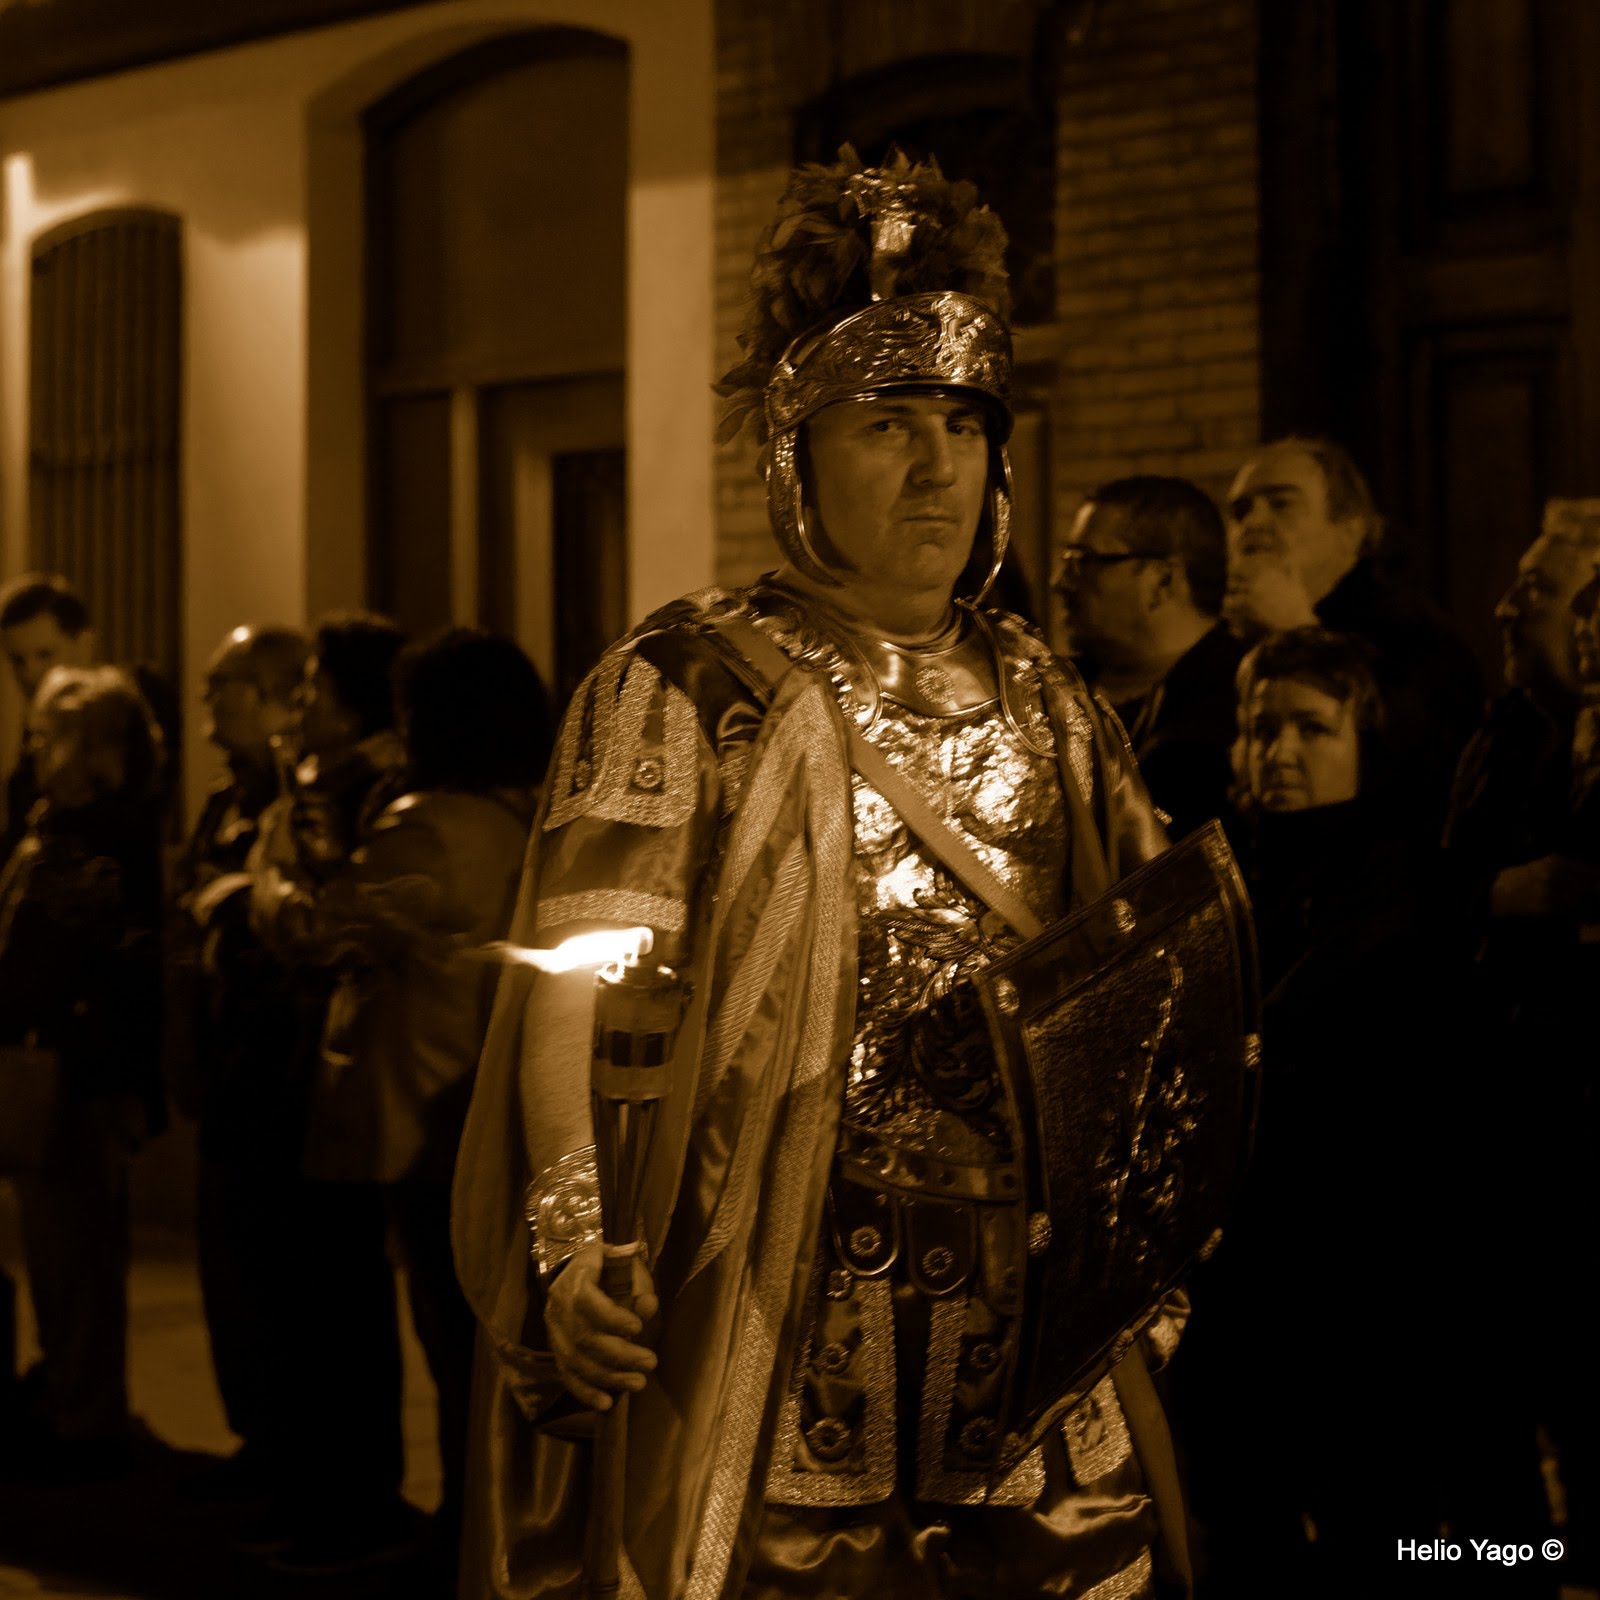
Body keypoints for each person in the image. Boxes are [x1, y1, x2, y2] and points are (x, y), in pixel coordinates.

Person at [452, 150, 1226, 1600]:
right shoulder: (680, 684)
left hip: (1031, 1334)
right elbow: (579, 979)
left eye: (961, 424)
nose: (937, 466)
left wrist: (1144, 1257)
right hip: (784, 1309)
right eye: (887, 423)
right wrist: (573, 1245)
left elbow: (1155, 991)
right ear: (800, 453)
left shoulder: (1057, 702)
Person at [1172, 629, 1445, 1595]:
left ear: (1367, 740)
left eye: (1311, 729)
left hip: (1361, 1294)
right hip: (1242, 1287)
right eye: (1259, 728)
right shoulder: (1225, 867)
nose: (1278, 753)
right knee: (1244, 1530)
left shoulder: (1401, 891)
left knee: (1388, 1538)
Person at [303, 626, 549, 1582]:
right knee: (494, 1350)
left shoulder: (425, 827)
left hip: (426, 1113)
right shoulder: (532, 813)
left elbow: (332, 924)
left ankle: (464, 1536)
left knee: (452, 1348)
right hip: (502, 1100)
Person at [1442, 497, 1600, 1585]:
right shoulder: (1518, 736)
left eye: (1550, 596)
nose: (1512, 608)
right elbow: (1451, 885)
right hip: (1525, 1122)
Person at [243, 610, 415, 1575]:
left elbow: (331, 923)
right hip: (310, 1070)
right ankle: (319, 1489)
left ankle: (356, 1502)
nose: (297, 706)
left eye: (312, 688)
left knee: (339, 1298)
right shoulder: (321, 785)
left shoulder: (379, 795)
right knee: (308, 1293)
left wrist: (266, 892)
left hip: (347, 1070)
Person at [0, 666, 164, 1474]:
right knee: (51, 1241)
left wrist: (128, 1087)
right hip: (42, 1060)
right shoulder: (48, 820)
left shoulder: (111, 833)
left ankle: (87, 1410)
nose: (31, 747)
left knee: (81, 1244)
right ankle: (68, 1391)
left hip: (83, 1069)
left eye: (44, 733)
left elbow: (113, 968)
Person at [171, 624, 310, 1497]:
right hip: (224, 1068)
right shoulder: (226, 800)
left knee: (281, 1282)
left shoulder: (298, 804)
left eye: (222, 687)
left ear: (269, 698)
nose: (207, 706)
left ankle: (293, 1455)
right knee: (228, 1272)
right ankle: (255, 1443)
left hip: (277, 1076)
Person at [1223, 436, 1481, 834]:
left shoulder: (1412, 633)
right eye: (1240, 511)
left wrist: (1299, 633)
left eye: (1281, 503)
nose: (1253, 524)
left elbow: (1417, 761)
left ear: (1351, 529)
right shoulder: (1231, 632)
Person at [1055, 475, 1245, 839]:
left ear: (1163, 580)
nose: (1060, 581)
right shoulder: (1056, 694)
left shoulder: (1238, 705)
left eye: (1084, 561)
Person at [1, 575, 93, 862]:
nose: (31, 673)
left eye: (45, 655)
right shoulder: (38, 726)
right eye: (18, 660)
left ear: (84, 643)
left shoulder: (110, 724)